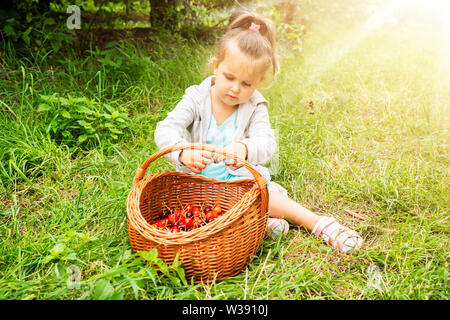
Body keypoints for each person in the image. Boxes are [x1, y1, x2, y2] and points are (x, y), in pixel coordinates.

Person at [154, 12, 363, 253]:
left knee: (267, 197)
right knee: (186, 208)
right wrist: (182, 152)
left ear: (260, 81)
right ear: (216, 66)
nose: (235, 89)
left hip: (239, 181)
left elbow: (267, 144)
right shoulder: (196, 97)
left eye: (246, 84)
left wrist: (245, 148)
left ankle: (318, 223)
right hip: (198, 184)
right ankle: (259, 223)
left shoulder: (255, 105)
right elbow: (166, 128)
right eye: (229, 77)